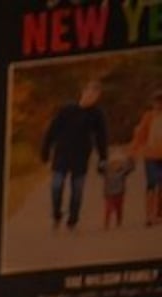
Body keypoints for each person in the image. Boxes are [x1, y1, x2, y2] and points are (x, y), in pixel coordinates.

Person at [51, 77, 111, 229]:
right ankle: (57, 214)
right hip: (62, 154)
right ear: (83, 92)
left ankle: (73, 219)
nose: (92, 97)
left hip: (81, 156)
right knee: (56, 185)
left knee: (77, 189)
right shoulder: (67, 109)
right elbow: (53, 129)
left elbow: (101, 137)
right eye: (90, 93)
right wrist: (45, 149)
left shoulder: (97, 114)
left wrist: (103, 158)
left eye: (95, 96)